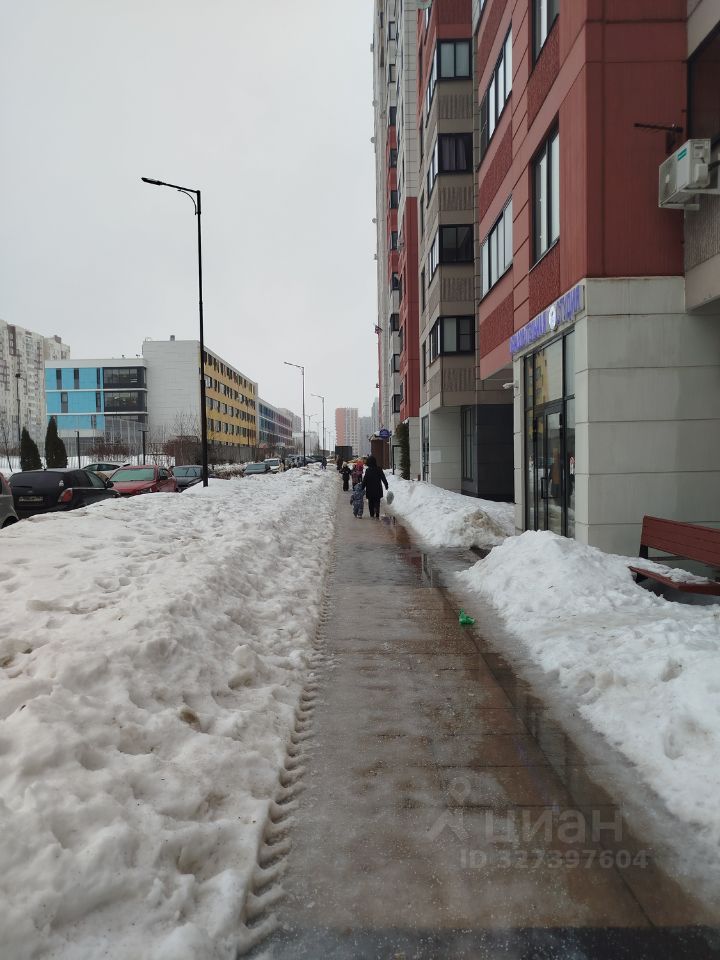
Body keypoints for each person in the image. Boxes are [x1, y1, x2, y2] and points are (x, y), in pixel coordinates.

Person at [362, 454, 388, 519]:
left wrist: (362, 487)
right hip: (377, 489)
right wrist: (386, 484)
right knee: (377, 501)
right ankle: (377, 513)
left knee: (370, 502)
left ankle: (371, 514)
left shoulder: (368, 470)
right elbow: (383, 478)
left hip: (370, 489)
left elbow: (365, 480)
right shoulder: (379, 469)